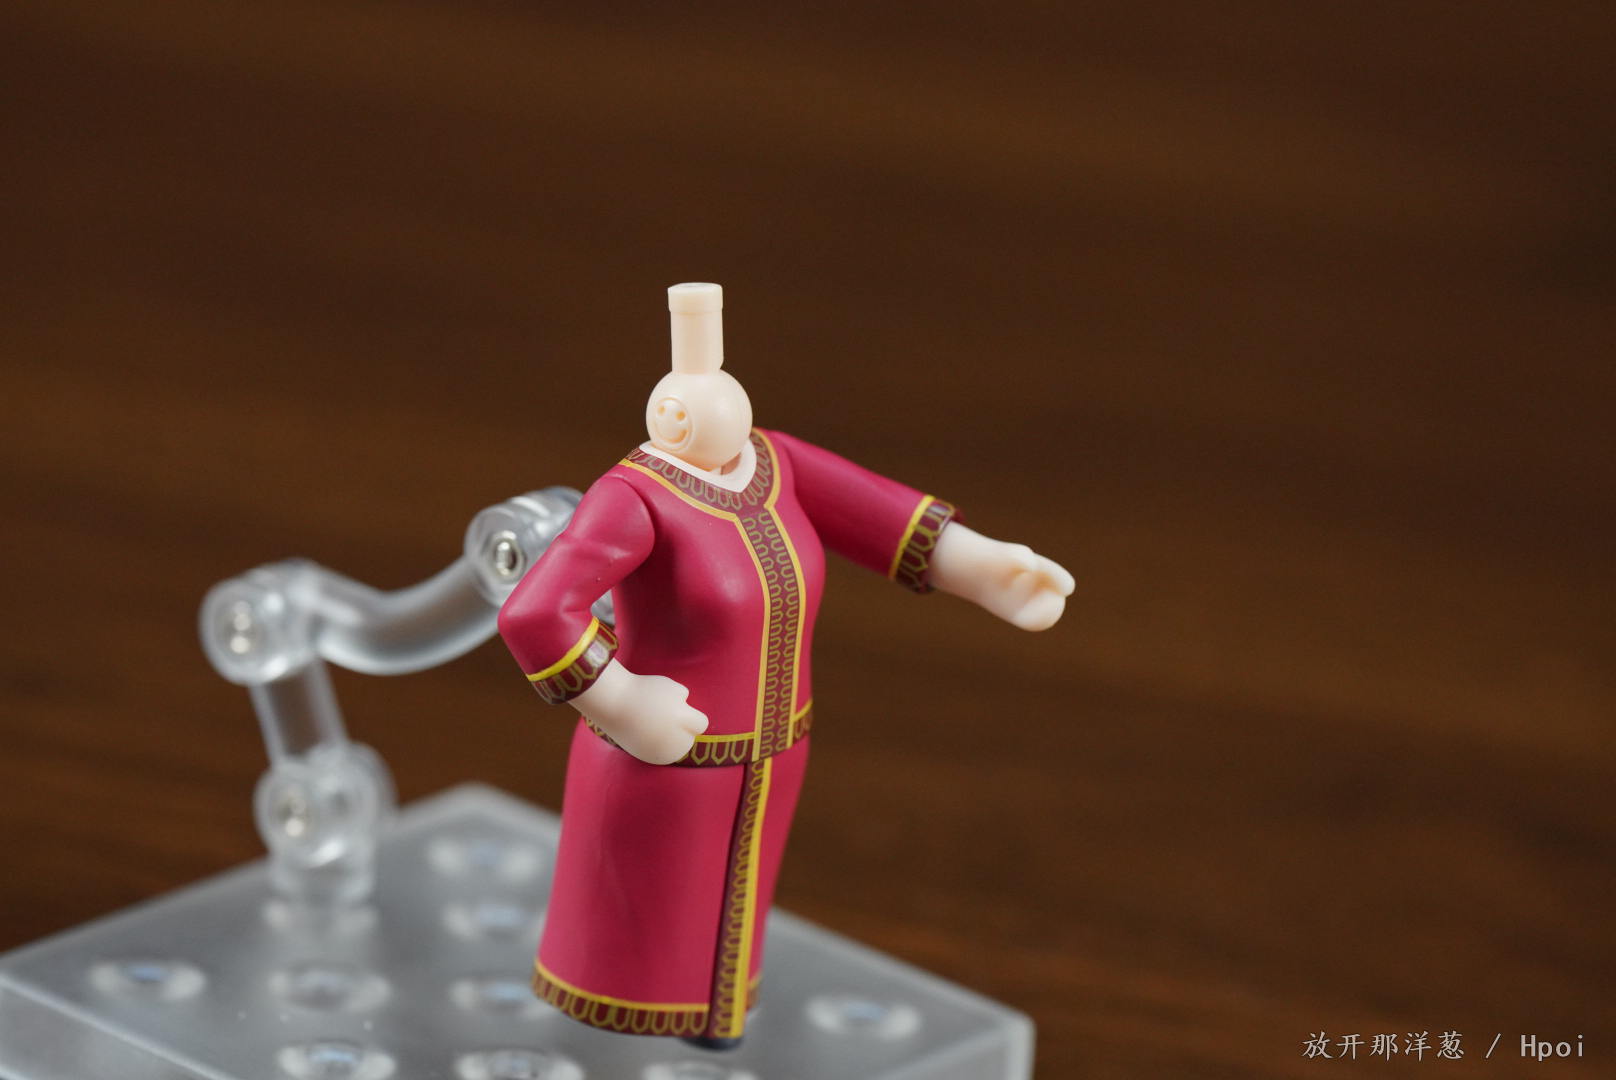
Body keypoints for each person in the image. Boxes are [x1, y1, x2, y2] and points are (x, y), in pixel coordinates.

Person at [498, 283, 1073, 1047]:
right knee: (641, 927)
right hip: (666, 756)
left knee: (735, 912)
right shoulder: (634, 497)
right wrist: (622, 702)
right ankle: (622, 1034)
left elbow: (874, 512)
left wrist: (983, 566)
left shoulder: (774, 461)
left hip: (772, 751)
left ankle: (716, 1027)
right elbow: (535, 612)